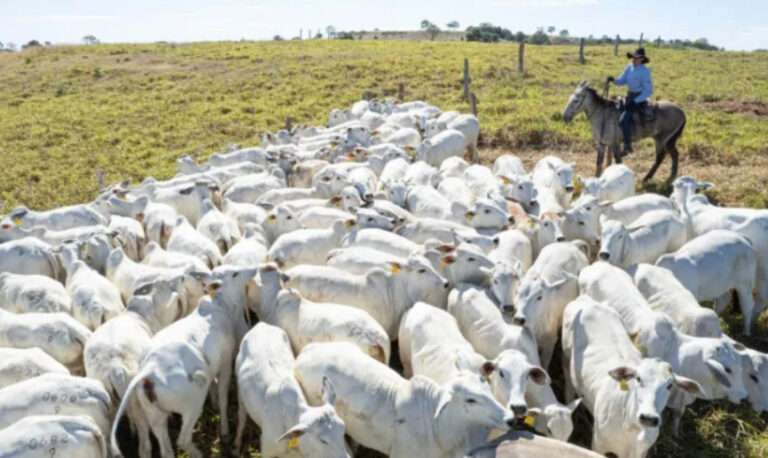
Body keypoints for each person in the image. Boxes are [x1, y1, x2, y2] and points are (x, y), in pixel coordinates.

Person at [608, 47, 653, 158]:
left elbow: (648, 90)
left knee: (624, 120)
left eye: (636, 58)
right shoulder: (629, 67)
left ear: (642, 59)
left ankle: (628, 147)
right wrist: (613, 79)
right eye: (633, 57)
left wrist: (636, 100)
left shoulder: (645, 71)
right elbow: (622, 81)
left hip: (639, 97)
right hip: (629, 96)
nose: (633, 59)